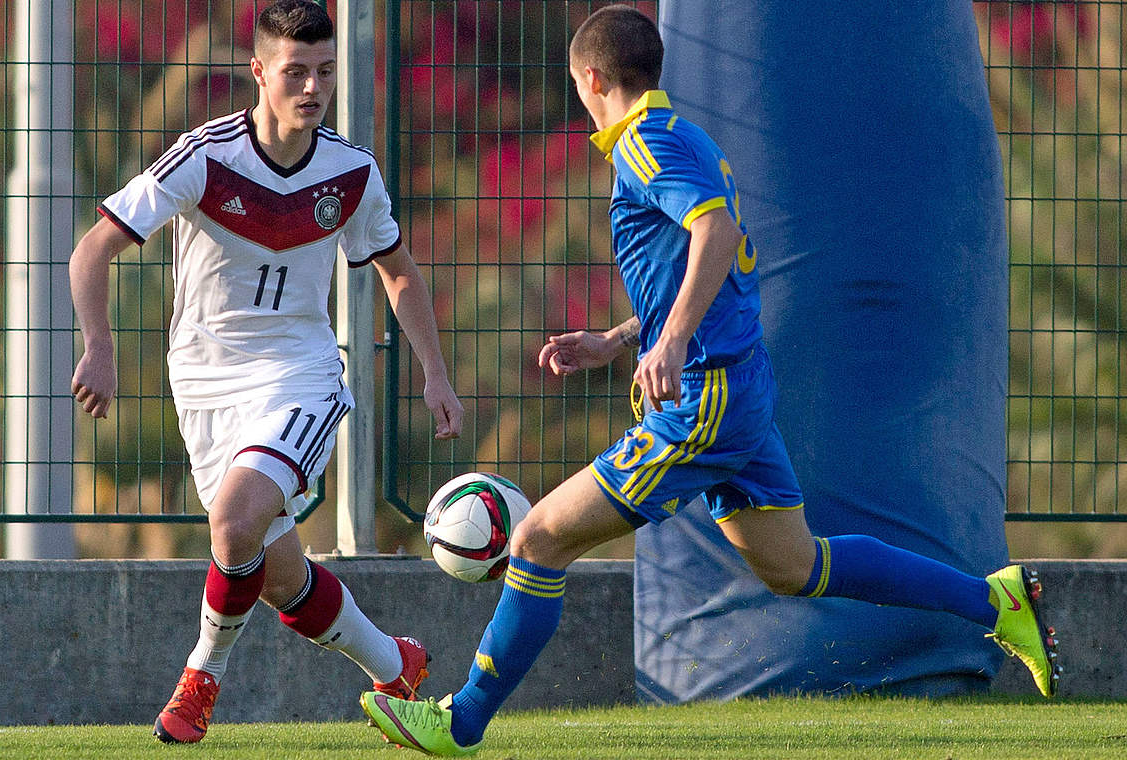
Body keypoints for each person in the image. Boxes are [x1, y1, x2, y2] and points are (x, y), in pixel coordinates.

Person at [360, 5, 1058, 755]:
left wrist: (672, 344)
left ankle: (459, 723)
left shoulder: (644, 146)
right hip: (738, 390)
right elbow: (708, 260)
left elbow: (715, 233)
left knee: (536, 540)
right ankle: (994, 600)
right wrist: (620, 339)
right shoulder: (684, 137)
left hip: (703, 398)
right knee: (796, 565)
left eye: (575, 85)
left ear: (592, 79)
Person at [68, 0, 464, 744]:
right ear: (258, 72)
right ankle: (394, 662)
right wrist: (100, 344)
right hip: (204, 384)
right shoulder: (204, 156)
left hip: (300, 378)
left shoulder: (351, 173)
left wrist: (434, 374)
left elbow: (400, 274)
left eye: (324, 72)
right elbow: (93, 250)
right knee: (274, 569)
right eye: (295, 72)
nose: (312, 88)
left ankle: (200, 679)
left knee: (234, 521)